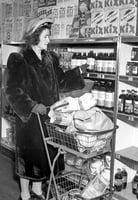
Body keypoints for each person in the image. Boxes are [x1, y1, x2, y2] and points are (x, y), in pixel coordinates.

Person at [5, 17, 87, 200]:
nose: (49, 40)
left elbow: (62, 82)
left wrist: (79, 74)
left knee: (45, 157)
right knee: (29, 158)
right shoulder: (18, 59)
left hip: (51, 116)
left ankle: (38, 191)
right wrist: (33, 106)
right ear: (35, 37)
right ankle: (25, 194)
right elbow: (11, 90)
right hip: (30, 120)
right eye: (46, 36)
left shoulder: (50, 58)